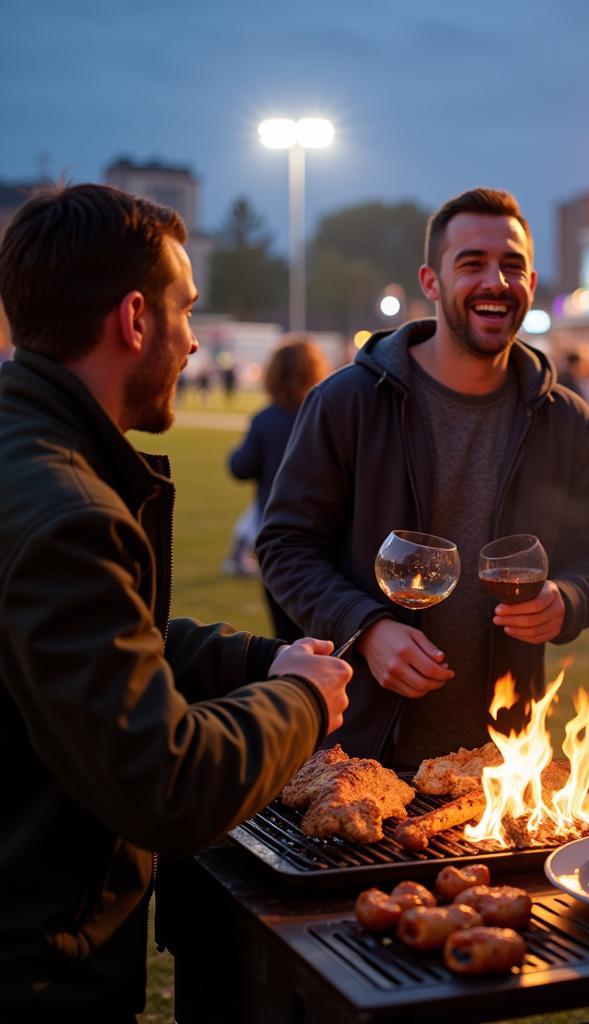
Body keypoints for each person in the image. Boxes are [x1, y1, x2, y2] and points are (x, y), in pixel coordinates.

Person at [0, 183, 352, 1023]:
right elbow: (167, 782)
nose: (194, 340)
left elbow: (123, 636)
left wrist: (264, 659)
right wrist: (303, 698)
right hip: (36, 967)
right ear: (134, 320)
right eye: (185, 311)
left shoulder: (33, 453)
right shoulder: (69, 512)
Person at [258, 187, 589, 768]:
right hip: (362, 748)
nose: (495, 281)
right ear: (431, 281)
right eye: (471, 263)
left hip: (503, 761)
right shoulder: (349, 402)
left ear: (530, 282)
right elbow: (285, 547)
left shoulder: (567, 419)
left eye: (512, 266)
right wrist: (368, 628)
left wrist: (566, 599)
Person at [228, 335, 331, 639]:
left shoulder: (264, 420)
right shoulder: (324, 416)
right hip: (324, 533)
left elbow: (240, 467)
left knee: (286, 636)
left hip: (275, 538)